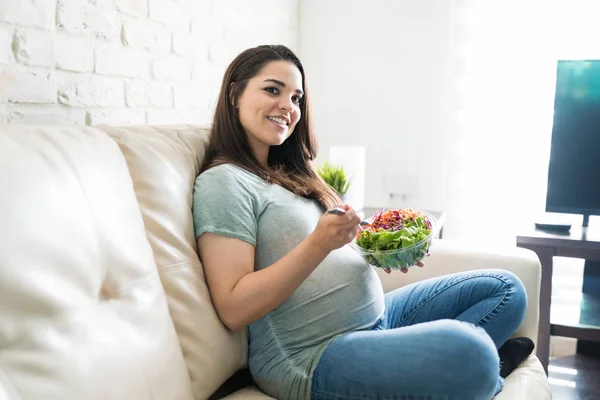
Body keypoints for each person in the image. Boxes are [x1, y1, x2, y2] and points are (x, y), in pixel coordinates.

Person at [192, 45, 535, 400]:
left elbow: (328, 255)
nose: (288, 106)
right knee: (473, 352)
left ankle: (443, 375)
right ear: (235, 94)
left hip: (379, 319)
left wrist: (382, 251)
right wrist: (319, 243)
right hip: (314, 357)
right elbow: (233, 308)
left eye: (296, 98)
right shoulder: (225, 182)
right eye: (272, 90)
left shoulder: (289, 173)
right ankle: (485, 372)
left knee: (505, 288)